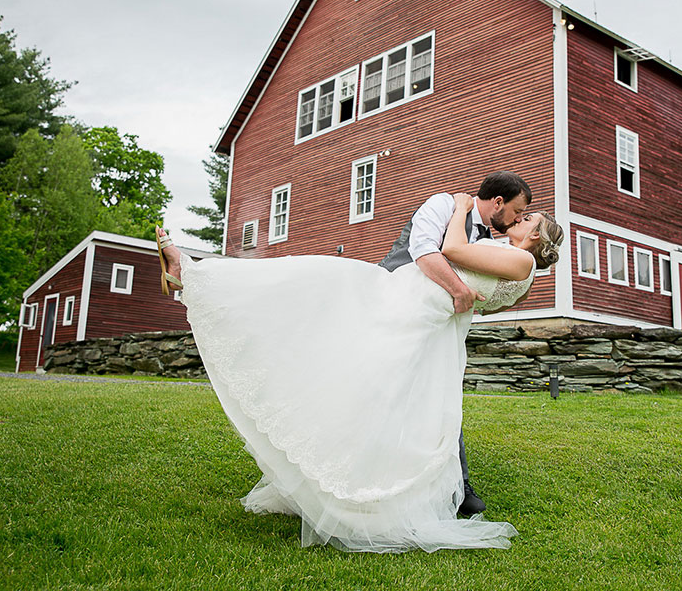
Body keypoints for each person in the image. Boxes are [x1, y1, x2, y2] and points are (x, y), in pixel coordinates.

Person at [155, 191, 564, 553]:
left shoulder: (519, 259)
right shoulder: (513, 260)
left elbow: (454, 250)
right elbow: (475, 289)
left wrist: (459, 208)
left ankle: (193, 274)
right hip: (424, 317)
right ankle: (192, 273)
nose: (519, 218)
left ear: (535, 237)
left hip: (408, 308)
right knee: (370, 373)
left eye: (528, 218)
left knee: (322, 299)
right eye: (521, 211)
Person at [377, 170, 533, 516]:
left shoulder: (489, 241)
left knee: (440, 397)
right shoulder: (443, 205)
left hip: (437, 326)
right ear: (497, 202)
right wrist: (461, 292)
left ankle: (455, 482)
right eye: (517, 211)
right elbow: (423, 251)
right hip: (392, 307)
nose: (518, 219)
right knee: (385, 395)